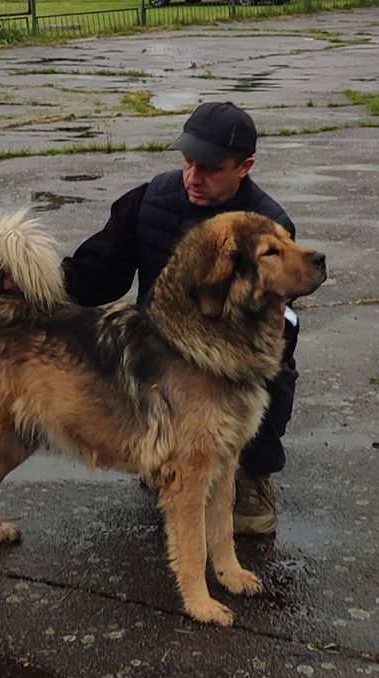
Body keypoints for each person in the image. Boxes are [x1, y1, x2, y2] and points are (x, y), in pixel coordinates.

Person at [62, 101, 299, 537]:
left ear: (244, 167)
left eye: (210, 168)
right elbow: (94, 274)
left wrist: (280, 330)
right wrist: (16, 281)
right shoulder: (150, 200)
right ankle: (160, 458)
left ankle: (253, 476)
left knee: (270, 373)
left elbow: (283, 313)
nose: (193, 177)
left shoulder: (269, 226)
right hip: (161, 357)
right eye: (188, 161)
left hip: (228, 357)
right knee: (124, 353)